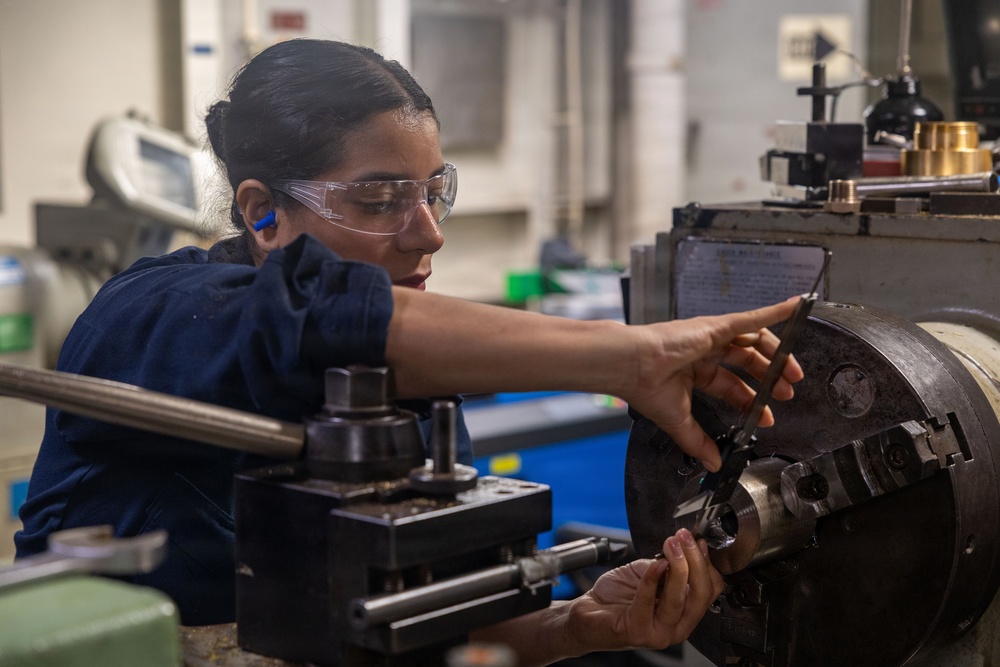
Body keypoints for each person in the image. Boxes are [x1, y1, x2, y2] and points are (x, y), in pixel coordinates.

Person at [15, 39, 803, 665]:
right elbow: (313, 323)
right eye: (382, 199)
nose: (429, 232)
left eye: (433, 191)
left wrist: (576, 623)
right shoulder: (147, 317)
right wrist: (624, 355)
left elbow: (442, 631)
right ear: (261, 214)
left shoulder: (418, 390)